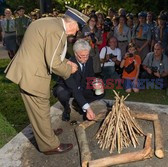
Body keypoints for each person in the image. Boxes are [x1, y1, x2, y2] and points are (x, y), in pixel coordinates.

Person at [4, 7, 87, 155]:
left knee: (38, 111)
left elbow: (46, 50)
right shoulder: (58, 32)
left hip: (26, 70)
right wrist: (70, 70)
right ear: (72, 23)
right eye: (77, 28)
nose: (75, 33)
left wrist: (67, 61)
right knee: (40, 109)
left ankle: (46, 134)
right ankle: (49, 145)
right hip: (33, 76)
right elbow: (54, 63)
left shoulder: (49, 22)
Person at [53, 39, 104, 121]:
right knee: (61, 93)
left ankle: (78, 103)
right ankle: (66, 109)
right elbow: (73, 88)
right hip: (68, 87)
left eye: (87, 55)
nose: (85, 58)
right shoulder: (68, 64)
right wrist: (87, 108)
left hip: (81, 85)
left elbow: (90, 76)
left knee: (100, 92)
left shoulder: (89, 59)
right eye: (82, 56)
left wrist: (95, 83)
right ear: (75, 54)